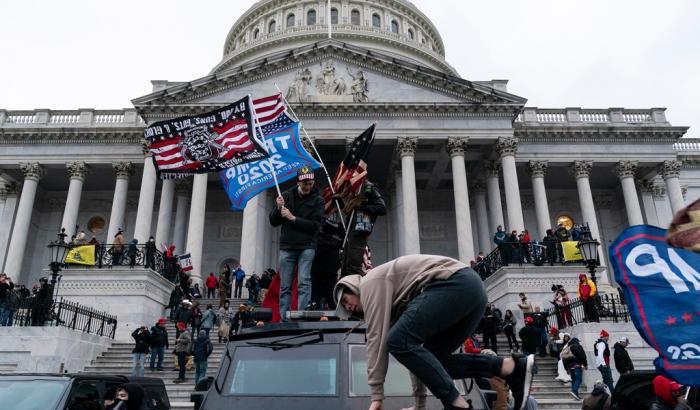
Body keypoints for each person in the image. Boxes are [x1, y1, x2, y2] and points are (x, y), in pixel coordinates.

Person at [333, 254, 535, 410]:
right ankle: (509, 367)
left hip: (455, 284)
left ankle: (457, 404)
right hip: (472, 291)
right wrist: (420, 405)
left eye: (345, 300)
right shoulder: (395, 301)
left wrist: (376, 396)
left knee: (395, 341)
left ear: (353, 287)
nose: (348, 308)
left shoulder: (369, 284)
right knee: (434, 360)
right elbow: (419, 361)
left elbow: (376, 342)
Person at [269, 166, 324, 319]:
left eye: (311, 183)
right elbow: (273, 221)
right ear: (299, 182)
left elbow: (316, 226)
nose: (308, 186)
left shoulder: (318, 200)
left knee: (304, 282)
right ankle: (284, 318)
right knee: (285, 285)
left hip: (307, 246)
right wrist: (278, 208)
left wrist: (293, 218)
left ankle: (302, 316)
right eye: (305, 183)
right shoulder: (286, 196)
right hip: (288, 246)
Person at [341, 180, 387, 277]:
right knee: (345, 267)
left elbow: (382, 208)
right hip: (349, 231)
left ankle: (356, 290)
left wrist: (363, 207)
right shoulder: (352, 189)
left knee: (353, 267)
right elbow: (348, 208)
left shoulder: (368, 188)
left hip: (360, 232)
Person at [561, 336, 587, 401]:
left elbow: (563, 359)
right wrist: (585, 364)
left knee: (574, 380)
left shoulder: (567, 348)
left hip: (569, 367)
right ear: (577, 341)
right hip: (576, 365)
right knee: (579, 379)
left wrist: (566, 369)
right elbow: (583, 356)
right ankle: (574, 391)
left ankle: (576, 394)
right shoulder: (578, 346)